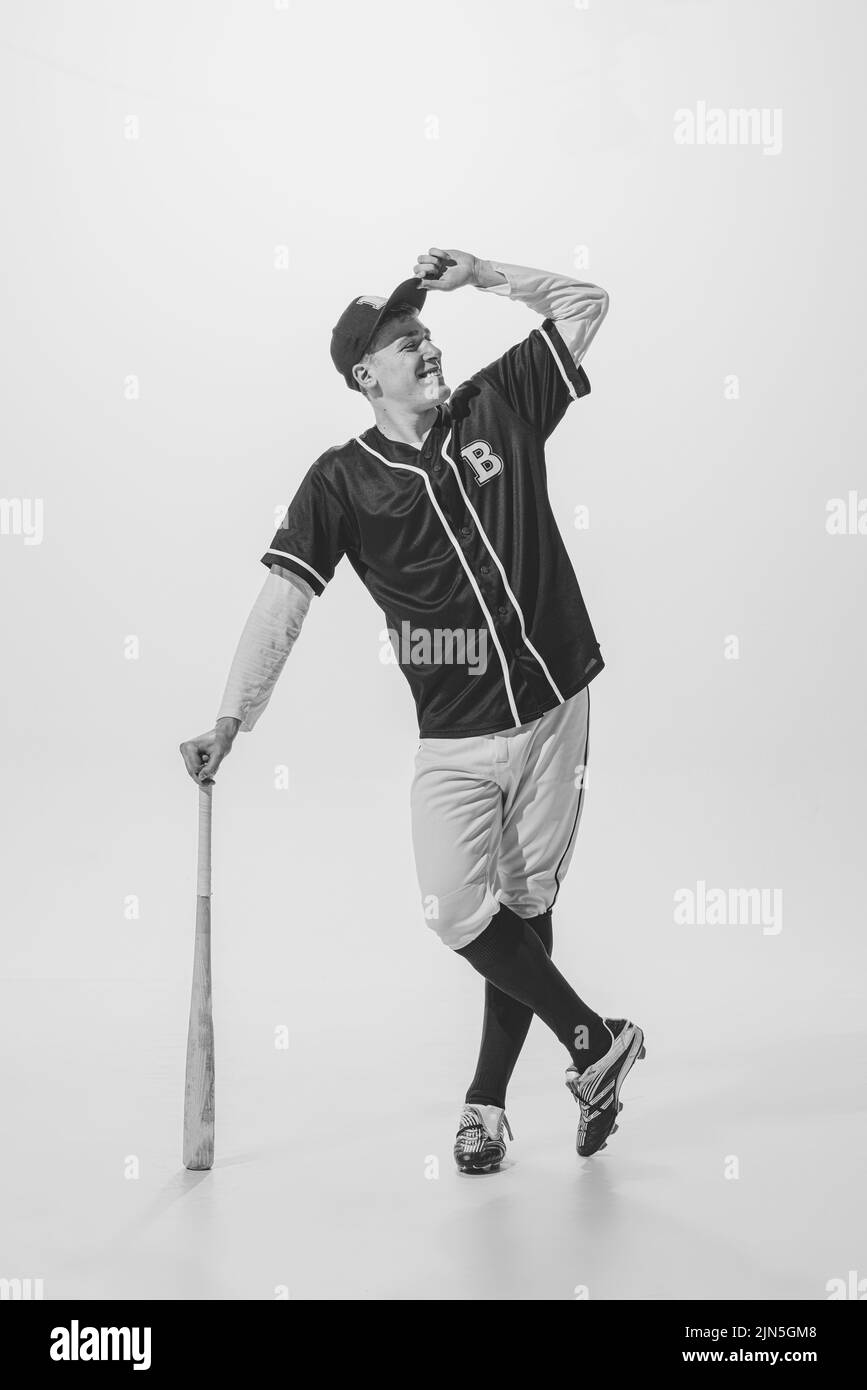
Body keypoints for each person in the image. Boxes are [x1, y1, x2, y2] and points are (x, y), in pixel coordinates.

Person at [179, 247, 645, 1174]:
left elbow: (589, 300)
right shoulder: (338, 481)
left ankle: (484, 1106)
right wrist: (233, 718)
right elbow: (284, 601)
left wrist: (481, 274)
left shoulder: (497, 403)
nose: (426, 344)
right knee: (455, 909)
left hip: (557, 704)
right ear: (366, 374)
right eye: (403, 340)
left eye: (424, 330)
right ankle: (595, 1041)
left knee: (524, 903)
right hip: (457, 736)